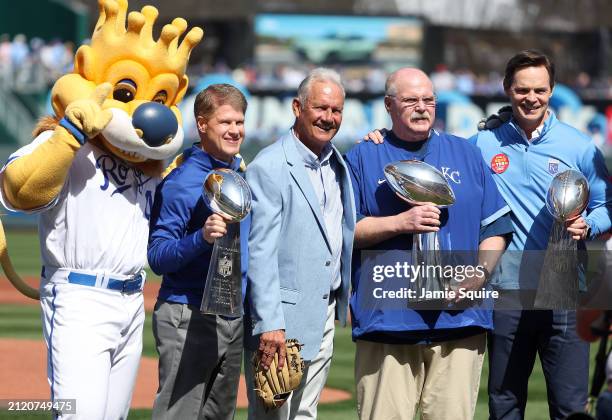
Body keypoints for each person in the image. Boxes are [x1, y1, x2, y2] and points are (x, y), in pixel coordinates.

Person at [345, 67, 512, 420]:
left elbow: (495, 227)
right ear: (389, 105)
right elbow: (344, 233)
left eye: (428, 99)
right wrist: (399, 223)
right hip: (388, 319)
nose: (421, 107)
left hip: (460, 320)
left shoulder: (465, 153)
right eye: (410, 100)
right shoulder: (363, 156)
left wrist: (480, 275)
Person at [471, 50, 612, 419]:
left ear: (551, 91)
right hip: (507, 290)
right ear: (507, 89)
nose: (530, 98)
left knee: (568, 407)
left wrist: (589, 225)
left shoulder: (578, 145)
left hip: (565, 287)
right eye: (522, 90)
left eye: (539, 89)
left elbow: (606, 205)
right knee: (504, 403)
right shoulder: (483, 144)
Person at [244, 67, 356, 419]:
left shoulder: (336, 163)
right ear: (297, 107)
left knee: (306, 413)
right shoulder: (270, 165)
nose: (329, 117)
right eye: (321, 108)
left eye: (336, 110)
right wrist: (270, 323)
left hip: (321, 313)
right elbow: (260, 251)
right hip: (283, 320)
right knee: (271, 416)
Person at [147, 84, 248, 420]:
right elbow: (158, 257)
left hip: (231, 313)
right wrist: (200, 238)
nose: (235, 130)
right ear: (202, 125)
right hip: (187, 312)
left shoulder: (239, 174)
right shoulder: (181, 182)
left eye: (239, 122)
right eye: (225, 123)